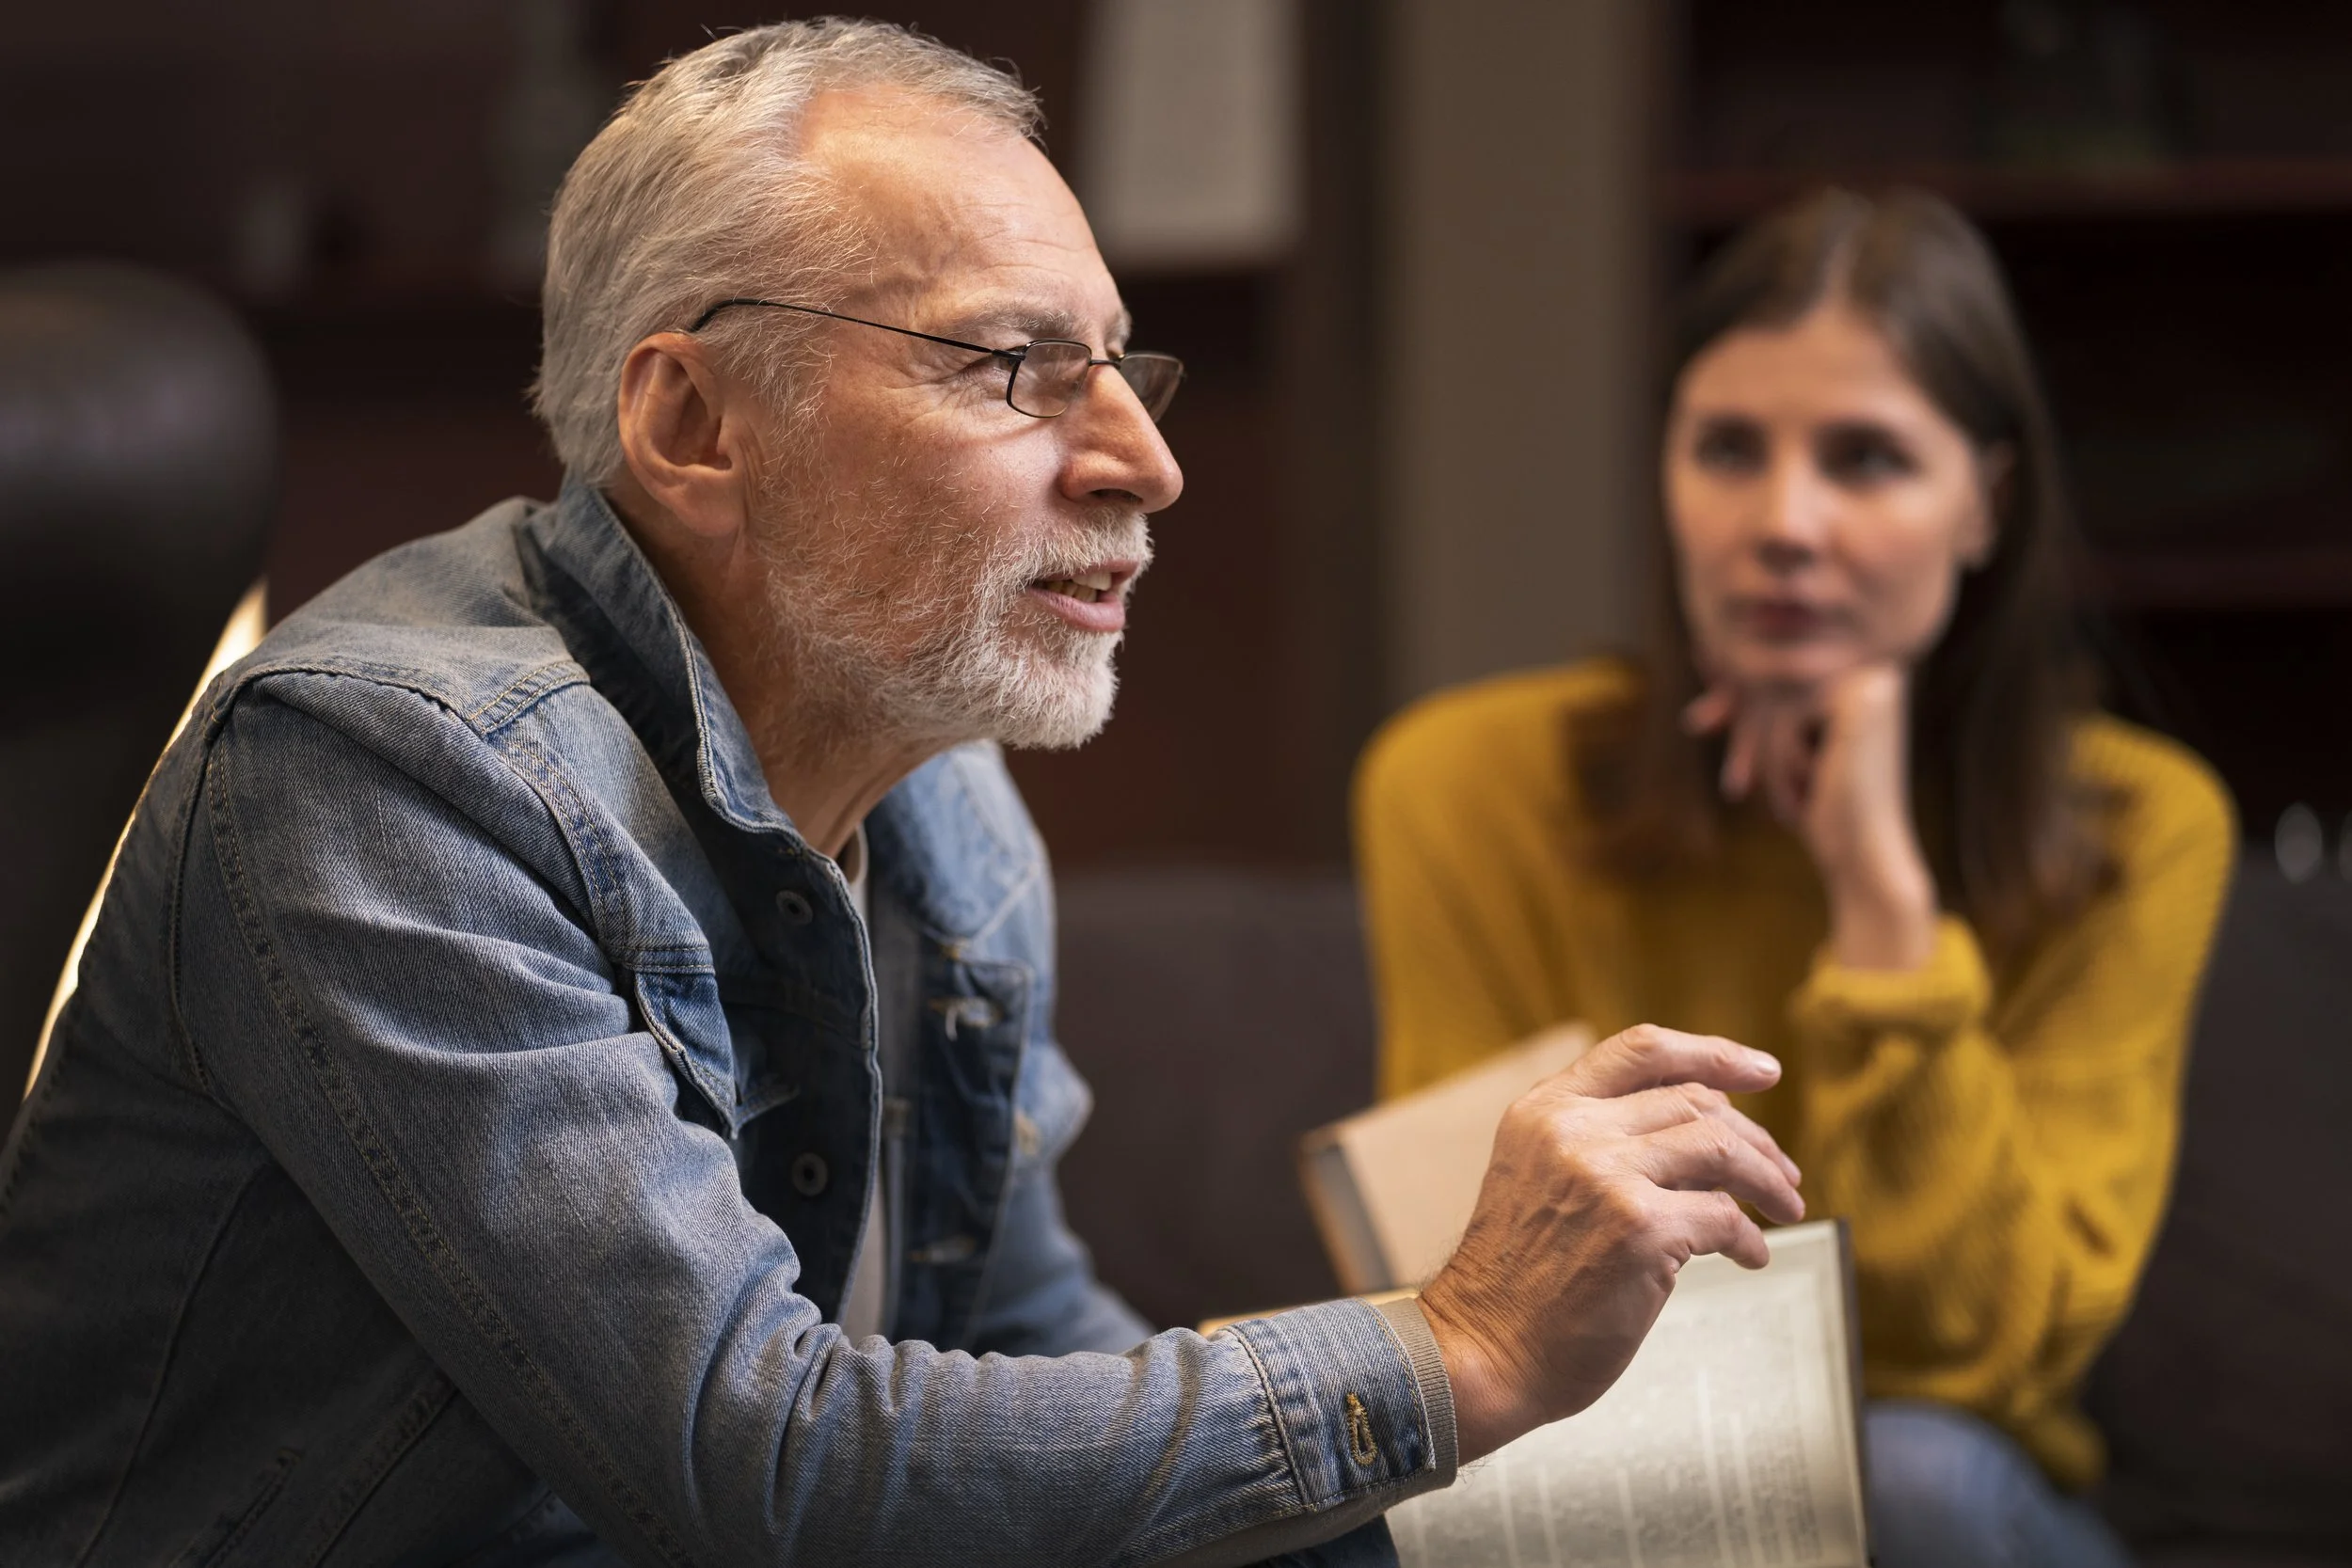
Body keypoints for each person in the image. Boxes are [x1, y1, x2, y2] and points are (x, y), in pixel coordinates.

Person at [0, 22, 1805, 1566]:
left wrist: (1455, 1485)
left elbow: (1020, 1349)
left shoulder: (947, 809)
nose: (1147, 463)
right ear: (696, 423)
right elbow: (753, 1457)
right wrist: (1452, 1351)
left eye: (1123, 364)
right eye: (1019, 368)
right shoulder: (383, 773)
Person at [1354, 185, 2233, 1567]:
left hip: (1947, 1499)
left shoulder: (2138, 824)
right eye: (1728, 449)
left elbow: (1975, 1350)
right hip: (1611, 1466)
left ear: (1984, 506)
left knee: (1921, 1472)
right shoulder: (1463, 784)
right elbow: (1480, 1272)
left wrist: (1878, 889)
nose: (1784, 521)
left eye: (1867, 458)